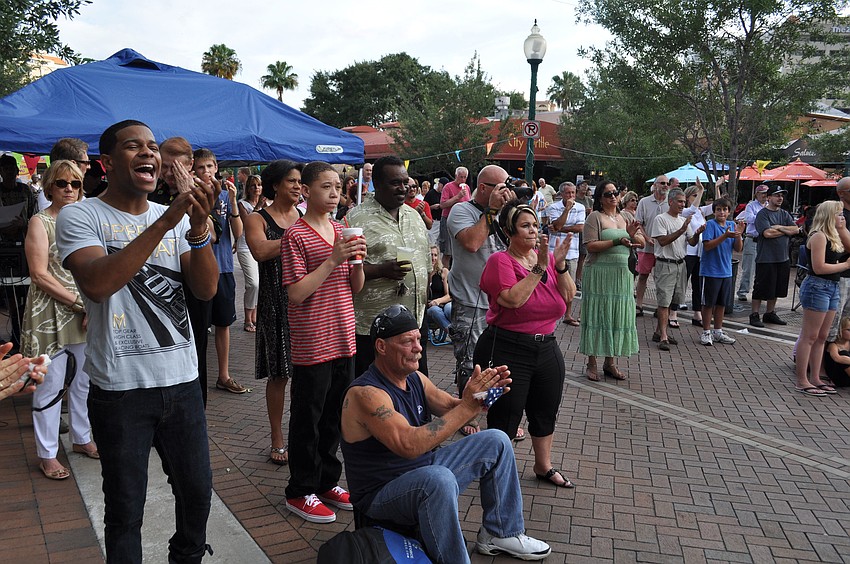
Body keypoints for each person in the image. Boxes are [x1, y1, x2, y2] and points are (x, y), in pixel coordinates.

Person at [56, 119, 219, 563]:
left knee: (197, 495)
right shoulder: (80, 215)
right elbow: (98, 283)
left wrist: (199, 228)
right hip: (120, 390)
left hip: (183, 382)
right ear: (107, 163)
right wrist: (169, 219)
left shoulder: (175, 219)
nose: (149, 153)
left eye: (152, 146)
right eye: (134, 146)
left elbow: (204, 290)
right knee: (126, 510)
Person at [339, 305, 551, 563]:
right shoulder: (366, 394)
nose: (418, 347)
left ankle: (500, 533)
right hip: (382, 494)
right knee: (437, 479)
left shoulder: (414, 377)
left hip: (423, 472)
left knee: (496, 440)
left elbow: (455, 408)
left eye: (418, 338)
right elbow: (408, 444)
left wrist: (481, 396)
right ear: (381, 346)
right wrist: (468, 408)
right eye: (408, 342)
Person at [281, 161, 367, 524]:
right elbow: (297, 293)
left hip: (344, 334)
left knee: (335, 414)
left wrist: (358, 261)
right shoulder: (295, 236)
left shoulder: (341, 228)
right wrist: (334, 259)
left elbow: (356, 288)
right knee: (308, 417)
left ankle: (327, 480)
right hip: (313, 339)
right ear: (306, 191)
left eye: (338, 187)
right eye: (325, 187)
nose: (334, 194)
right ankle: (300, 490)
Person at [473, 201, 576, 489]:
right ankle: (496, 469)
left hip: (546, 347)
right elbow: (514, 300)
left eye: (535, 225)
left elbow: (568, 296)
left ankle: (543, 465)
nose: (533, 231)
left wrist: (560, 264)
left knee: (545, 409)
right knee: (505, 413)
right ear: (509, 232)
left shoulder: (542, 258)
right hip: (507, 346)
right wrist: (540, 268)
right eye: (525, 226)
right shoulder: (500, 261)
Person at [21, 160, 96, 480]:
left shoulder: (87, 220)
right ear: (50, 186)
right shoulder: (40, 222)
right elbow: (39, 274)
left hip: (84, 312)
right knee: (49, 386)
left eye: (75, 184)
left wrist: (93, 305)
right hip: (50, 314)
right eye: (62, 183)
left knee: (83, 382)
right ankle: (47, 453)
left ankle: (82, 438)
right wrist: (81, 303)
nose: (69, 189)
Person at [346, 156, 431, 378]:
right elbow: (342, 271)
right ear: (378, 184)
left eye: (406, 182)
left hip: (413, 324)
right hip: (374, 329)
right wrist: (380, 270)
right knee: (374, 395)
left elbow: (427, 261)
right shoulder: (355, 219)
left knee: (414, 388)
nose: (403, 188)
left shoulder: (414, 216)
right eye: (396, 183)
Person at [446, 165, 514, 437]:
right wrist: (492, 211)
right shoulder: (461, 211)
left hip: (501, 302)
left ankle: (495, 416)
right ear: (483, 187)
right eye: (500, 187)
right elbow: (472, 243)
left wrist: (510, 212)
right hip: (471, 301)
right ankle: (467, 416)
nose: (505, 192)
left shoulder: (503, 213)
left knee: (499, 364)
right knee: (470, 362)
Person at [245, 160, 303, 466]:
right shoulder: (258, 218)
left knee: (307, 375)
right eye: (291, 181)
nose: (297, 186)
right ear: (275, 185)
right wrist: (298, 237)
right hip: (275, 303)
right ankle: (277, 437)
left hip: (306, 302)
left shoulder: (305, 215)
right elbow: (260, 250)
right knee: (279, 374)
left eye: (299, 181)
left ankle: (302, 434)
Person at [193, 148, 247, 394]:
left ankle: (223, 375)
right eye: (201, 167)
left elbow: (238, 233)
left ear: (216, 168)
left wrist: (234, 201)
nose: (206, 171)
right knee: (198, 325)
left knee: (223, 323)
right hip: (197, 269)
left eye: (210, 167)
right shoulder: (191, 194)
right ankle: (195, 373)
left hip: (223, 268)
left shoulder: (226, 196)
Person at [579, 180, 644, 380]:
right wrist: (617, 240)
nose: (613, 196)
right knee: (597, 315)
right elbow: (590, 246)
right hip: (599, 274)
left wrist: (632, 237)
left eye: (615, 192)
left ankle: (610, 362)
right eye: (608, 194)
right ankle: (592, 363)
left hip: (622, 274)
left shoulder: (626, 216)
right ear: (600, 198)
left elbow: (641, 241)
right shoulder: (594, 217)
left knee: (617, 316)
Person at [794, 201, 850, 396]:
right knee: (809, 335)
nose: (842, 217)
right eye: (839, 214)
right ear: (828, 215)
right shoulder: (818, 236)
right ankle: (802, 379)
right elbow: (819, 267)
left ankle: (816, 377)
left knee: (822, 336)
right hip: (818, 286)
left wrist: (842, 228)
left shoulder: (834, 234)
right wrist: (844, 266)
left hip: (832, 286)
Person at [649, 188, 699, 351]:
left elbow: (691, 242)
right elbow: (662, 241)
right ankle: (664, 336)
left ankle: (659, 332)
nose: (682, 204)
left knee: (673, 300)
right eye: (679, 201)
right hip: (665, 264)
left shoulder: (682, 220)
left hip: (680, 264)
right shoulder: (661, 219)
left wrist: (698, 233)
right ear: (670, 202)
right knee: (664, 301)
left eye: (684, 202)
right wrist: (681, 231)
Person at [0, 153, 38, 350]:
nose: (9, 173)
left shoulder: (26, 190)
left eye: (12, 169)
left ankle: (20, 335)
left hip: (23, 246)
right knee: (7, 295)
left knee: (23, 293)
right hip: (2, 247)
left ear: (16, 171)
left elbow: (35, 216)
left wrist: (25, 224)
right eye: (5, 169)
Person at [750, 185, 798, 327]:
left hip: (783, 258)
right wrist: (785, 231)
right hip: (766, 258)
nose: (780, 198)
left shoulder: (784, 214)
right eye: (777, 195)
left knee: (777, 287)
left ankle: (770, 313)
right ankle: (754, 314)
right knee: (760, 287)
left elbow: (796, 229)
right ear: (769, 197)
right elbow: (767, 233)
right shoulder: (762, 214)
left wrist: (778, 227)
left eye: (782, 196)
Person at [698, 198, 745, 346]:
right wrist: (725, 235)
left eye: (725, 210)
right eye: (719, 209)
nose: (722, 212)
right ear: (714, 211)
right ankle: (706, 331)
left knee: (721, 303)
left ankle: (718, 331)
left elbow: (738, 249)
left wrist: (738, 234)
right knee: (708, 303)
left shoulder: (732, 225)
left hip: (726, 271)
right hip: (711, 271)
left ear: (729, 212)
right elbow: (707, 246)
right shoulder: (710, 225)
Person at [547, 181, 584, 326]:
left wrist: (558, 228)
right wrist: (567, 210)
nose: (571, 196)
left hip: (572, 252)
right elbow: (556, 224)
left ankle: (568, 314)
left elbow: (580, 228)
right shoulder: (553, 207)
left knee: (570, 285)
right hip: (554, 251)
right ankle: (551, 311)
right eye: (568, 193)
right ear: (561, 194)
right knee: (552, 283)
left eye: (573, 193)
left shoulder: (580, 207)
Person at [634, 175, 669, 316]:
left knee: (661, 279)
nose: (665, 185)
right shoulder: (644, 202)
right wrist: (646, 237)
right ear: (655, 185)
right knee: (643, 276)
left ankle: (660, 307)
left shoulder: (670, 202)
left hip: (664, 248)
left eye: (667, 183)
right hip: (646, 247)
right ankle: (639, 304)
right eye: (662, 183)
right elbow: (638, 223)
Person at [681, 181, 714, 326]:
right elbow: (692, 209)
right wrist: (700, 189)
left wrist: (717, 187)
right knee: (682, 281)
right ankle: (673, 309)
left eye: (698, 195)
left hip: (699, 252)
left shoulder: (701, 211)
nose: (697, 197)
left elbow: (716, 206)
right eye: (694, 195)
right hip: (688, 251)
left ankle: (697, 312)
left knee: (697, 283)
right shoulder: (684, 211)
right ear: (688, 197)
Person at [735, 184, 769, 301]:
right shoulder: (751, 205)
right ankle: (743, 292)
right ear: (757, 194)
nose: (764, 196)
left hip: (765, 241)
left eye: (766, 193)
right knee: (748, 268)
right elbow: (748, 218)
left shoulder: (769, 206)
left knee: (764, 269)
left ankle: (760, 291)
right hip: (752, 239)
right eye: (762, 193)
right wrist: (763, 218)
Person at [236, 174, 262, 332]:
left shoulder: (268, 204)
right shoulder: (242, 204)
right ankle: (247, 319)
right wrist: (259, 206)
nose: (256, 188)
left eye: (258, 185)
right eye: (253, 185)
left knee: (260, 285)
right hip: (246, 247)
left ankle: (254, 317)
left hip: (261, 246)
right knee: (253, 283)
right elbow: (247, 223)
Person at [439, 167, 471, 268]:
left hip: (463, 222)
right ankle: (445, 276)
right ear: (456, 176)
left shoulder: (467, 188)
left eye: (465, 177)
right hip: (448, 220)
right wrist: (458, 197)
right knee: (447, 252)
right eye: (461, 177)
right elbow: (442, 205)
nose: (463, 180)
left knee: (461, 251)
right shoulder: (448, 187)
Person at [427, 245, 452, 334]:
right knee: (434, 310)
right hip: (430, 307)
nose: (433, 258)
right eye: (430, 255)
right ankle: (453, 333)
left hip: (443, 303)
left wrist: (438, 301)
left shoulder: (443, 271)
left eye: (435, 255)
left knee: (449, 309)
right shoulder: (424, 273)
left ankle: (456, 331)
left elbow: (450, 295)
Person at [825, 316, 850, 387]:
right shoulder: (833, 344)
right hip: (837, 377)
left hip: (847, 378)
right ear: (840, 330)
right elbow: (837, 358)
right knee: (843, 354)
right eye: (849, 330)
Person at [423, 177, 443, 245]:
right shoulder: (431, 193)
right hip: (433, 221)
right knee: (431, 239)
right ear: (439, 184)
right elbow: (424, 207)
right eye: (442, 186)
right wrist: (432, 207)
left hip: (441, 221)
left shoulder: (444, 194)